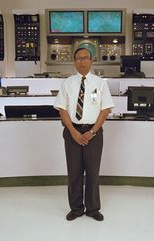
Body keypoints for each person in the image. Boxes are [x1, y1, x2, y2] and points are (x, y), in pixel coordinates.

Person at [54, 48, 114, 221]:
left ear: (91, 61)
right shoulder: (67, 83)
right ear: (74, 61)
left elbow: (105, 109)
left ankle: (93, 208)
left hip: (93, 132)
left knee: (93, 172)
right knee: (74, 172)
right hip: (72, 131)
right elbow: (62, 109)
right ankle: (76, 208)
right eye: (79, 58)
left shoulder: (100, 83)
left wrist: (92, 131)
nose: (82, 61)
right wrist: (73, 132)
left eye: (85, 58)